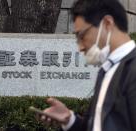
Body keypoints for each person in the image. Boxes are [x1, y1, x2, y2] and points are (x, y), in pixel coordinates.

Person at [36, 0, 136, 131]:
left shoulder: (132, 70)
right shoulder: (105, 72)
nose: (80, 47)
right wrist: (69, 120)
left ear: (107, 24)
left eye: (81, 36)